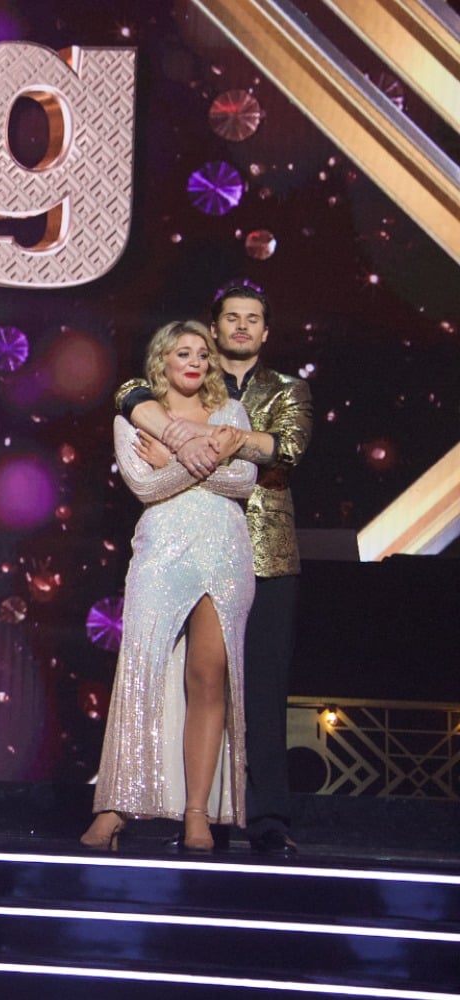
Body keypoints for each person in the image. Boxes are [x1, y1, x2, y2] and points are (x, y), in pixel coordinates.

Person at [113, 283, 312, 856]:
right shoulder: (183, 376)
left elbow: (283, 450)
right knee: (174, 676)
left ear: (266, 330)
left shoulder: (285, 389)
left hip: (261, 549)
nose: (242, 326)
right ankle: (184, 808)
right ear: (215, 325)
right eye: (232, 317)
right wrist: (199, 441)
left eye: (253, 318)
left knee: (257, 688)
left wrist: (197, 443)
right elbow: (128, 393)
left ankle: (265, 816)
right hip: (180, 543)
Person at [82, 321, 257, 853]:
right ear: (163, 359)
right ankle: (114, 808)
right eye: (184, 353)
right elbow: (145, 485)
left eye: (203, 354)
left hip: (224, 552)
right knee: (142, 674)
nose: (195, 362)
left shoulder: (231, 413)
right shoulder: (137, 417)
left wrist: (178, 459)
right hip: (162, 552)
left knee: (208, 678)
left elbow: (245, 482)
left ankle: (197, 814)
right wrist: (205, 458)